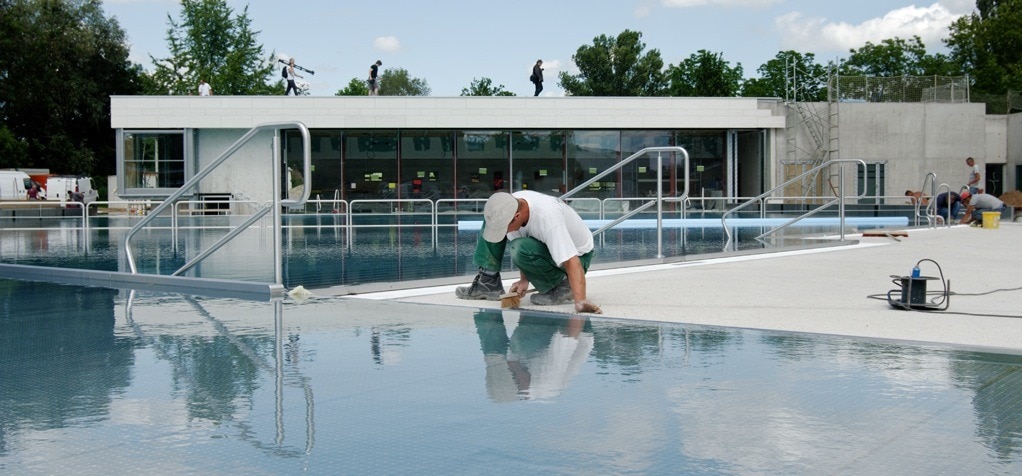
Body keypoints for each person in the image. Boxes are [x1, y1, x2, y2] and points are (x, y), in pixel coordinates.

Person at [455, 191, 602, 314]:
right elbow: (524, 240)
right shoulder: (510, 205)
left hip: (580, 256)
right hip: (546, 248)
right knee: (493, 220)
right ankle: (488, 281)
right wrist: (524, 279)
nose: (503, 234)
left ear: (517, 217)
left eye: (504, 228)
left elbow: (571, 260)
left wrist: (581, 302)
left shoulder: (548, 218)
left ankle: (564, 284)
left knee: (519, 247)